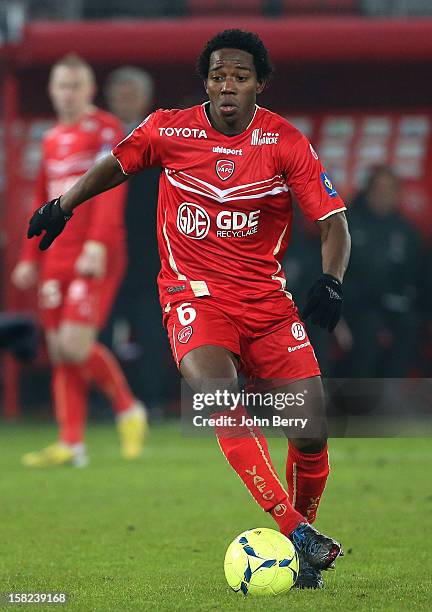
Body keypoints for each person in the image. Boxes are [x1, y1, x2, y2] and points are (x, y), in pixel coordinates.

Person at [26, 31, 350, 588]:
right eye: (218, 75)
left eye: (240, 76)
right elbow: (117, 164)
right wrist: (64, 204)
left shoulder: (284, 141)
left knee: (310, 432)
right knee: (216, 395)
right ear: (206, 81)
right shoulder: (166, 129)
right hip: (193, 294)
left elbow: (332, 222)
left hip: (269, 303)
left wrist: (332, 281)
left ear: (258, 84)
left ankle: (305, 554)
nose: (228, 85)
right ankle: (295, 531)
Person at [12, 54, 148, 467]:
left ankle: (128, 407)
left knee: (75, 344)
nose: (67, 94)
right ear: (52, 90)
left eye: (75, 86)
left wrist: (99, 243)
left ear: (90, 90)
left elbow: (111, 187)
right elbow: (41, 197)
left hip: (95, 249)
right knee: (58, 350)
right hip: (57, 252)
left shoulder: (105, 128)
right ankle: (72, 443)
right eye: (61, 86)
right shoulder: (51, 137)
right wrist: (29, 254)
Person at [104, 68, 177, 410]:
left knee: (150, 329)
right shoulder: (98, 138)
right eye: (118, 92)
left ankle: (151, 400)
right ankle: (104, 402)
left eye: (131, 92)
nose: (124, 99)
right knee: (101, 329)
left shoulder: (161, 139)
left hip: (149, 252)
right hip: (103, 251)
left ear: (145, 98)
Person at [340, 166, 420, 377]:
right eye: (379, 189)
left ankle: (393, 394)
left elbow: (415, 276)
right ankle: (361, 402)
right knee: (369, 328)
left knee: (411, 325)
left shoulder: (406, 231)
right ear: (368, 191)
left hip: (394, 305)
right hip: (355, 305)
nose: (384, 195)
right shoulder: (347, 225)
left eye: (390, 190)